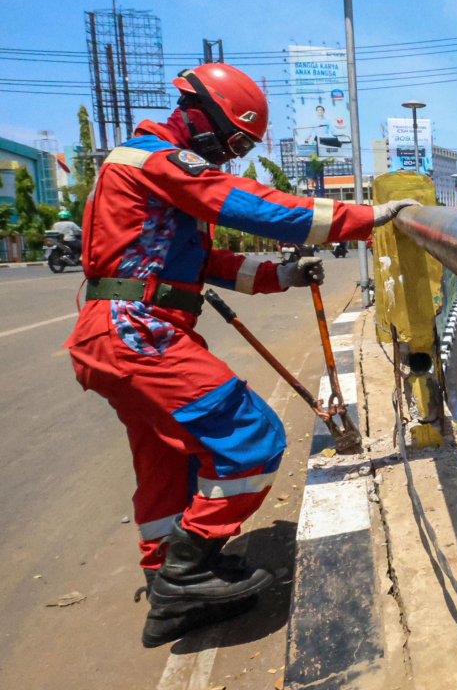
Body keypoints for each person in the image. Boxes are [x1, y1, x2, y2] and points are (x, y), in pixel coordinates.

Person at [64, 62, 416, 647]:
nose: (231, 156)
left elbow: (203, 265)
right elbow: (253, 207)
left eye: (243, 147)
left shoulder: (155, 176)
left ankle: (170, 594)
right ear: (199, 115)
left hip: (124, 333)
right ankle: (186, 570)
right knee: (252, 438)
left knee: (167, 461)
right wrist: (366, 218)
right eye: (233, 142)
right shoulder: (156, 160)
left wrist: (281, 275)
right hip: (138, 332)